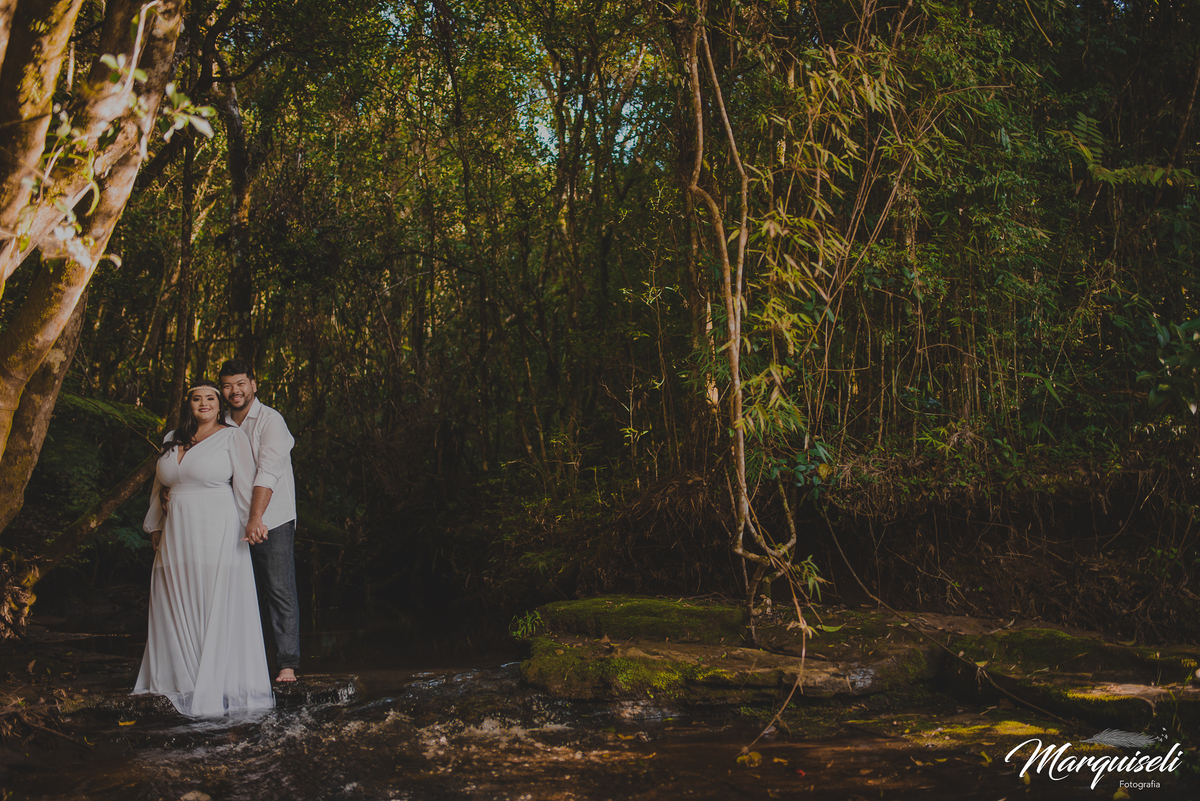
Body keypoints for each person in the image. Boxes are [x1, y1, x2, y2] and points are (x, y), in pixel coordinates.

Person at [133, 381, 274, 716]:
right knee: (173, 596)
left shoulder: (231, 436)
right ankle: (181, 678)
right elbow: (159, 486)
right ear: (189, 406)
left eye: (210, 398)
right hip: (175, 532)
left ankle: (219, 681)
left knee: (211, 597)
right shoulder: (171, 439)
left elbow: (244, 483)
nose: (204, 403)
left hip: (217, 529)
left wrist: (253, 521)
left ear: (218, 403)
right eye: (197, 399)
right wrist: (155, 525)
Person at [218, 358, 301, 683]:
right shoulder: (219, 424)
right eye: (227, 385)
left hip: (273, 520)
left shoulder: (270, 421)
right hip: (230, 522)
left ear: (253, 384)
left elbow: (269, 471)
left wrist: (256, 518)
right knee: (234, 594)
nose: (234, 391)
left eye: (240, 383)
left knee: (279, 591)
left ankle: (287, 666)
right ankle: (242, 668)